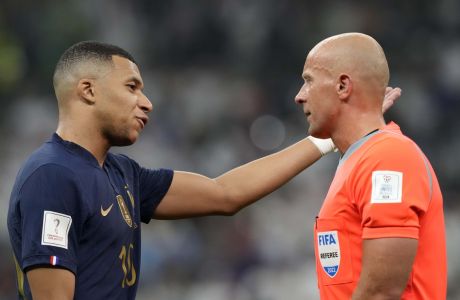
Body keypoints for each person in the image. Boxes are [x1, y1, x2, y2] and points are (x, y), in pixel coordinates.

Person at [7, 41, 399, 300]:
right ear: (88, 90)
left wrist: (333, 135)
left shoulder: (120, 173)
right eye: (132, 87)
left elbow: (224, 194)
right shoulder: (52, 176)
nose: (146, 103)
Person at [294, 32, 446, 299]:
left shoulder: (388, 157)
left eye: (309, 81)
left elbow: (381, 292)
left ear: (343, 86)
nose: (300, 96)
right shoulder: (358, 160)